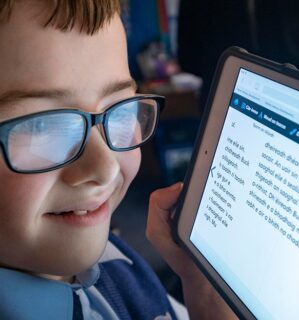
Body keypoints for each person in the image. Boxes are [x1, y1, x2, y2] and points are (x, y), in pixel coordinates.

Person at [0, 1, 236, 319]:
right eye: (42, 125)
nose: (106, 168)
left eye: (121, 106)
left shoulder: (107, 255)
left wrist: (202, 289)